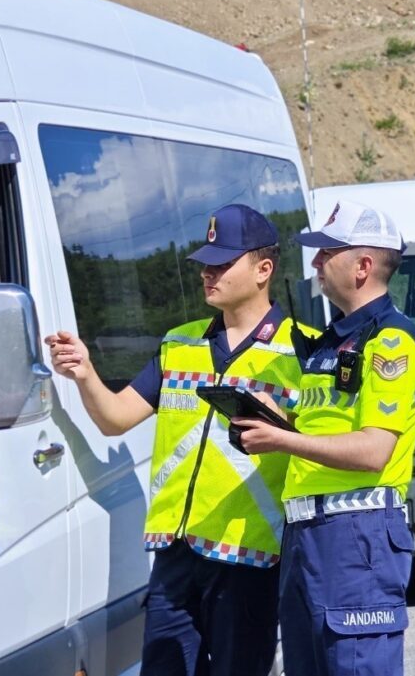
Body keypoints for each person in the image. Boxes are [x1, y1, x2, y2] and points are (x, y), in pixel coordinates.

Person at [45, 203, 312, 676]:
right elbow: (115, 419)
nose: (208, 273)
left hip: (249, 555)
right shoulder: (179, 344)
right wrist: (85, 374)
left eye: (223, 262)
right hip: (176, 551)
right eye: (205, 263)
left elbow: (322, 453)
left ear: (263, 269)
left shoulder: (304, 351)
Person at [234, 200, 415, 676]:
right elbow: (319, 427)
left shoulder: (391, 342)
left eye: (327, 253)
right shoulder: (331, 343)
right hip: (306, 535)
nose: (316, 264)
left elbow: (373, 450)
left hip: (357, 536)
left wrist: (283, 442)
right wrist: (274, 417)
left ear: (363, 266)